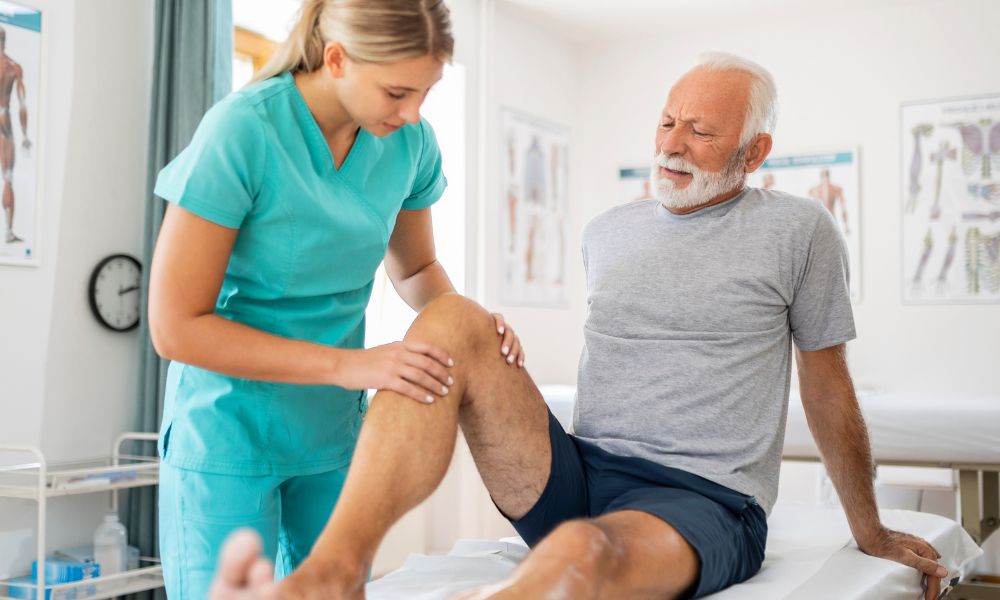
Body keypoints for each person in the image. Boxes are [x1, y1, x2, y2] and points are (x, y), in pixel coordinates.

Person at [211, 52, 948, 600]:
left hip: (700, 501)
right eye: (666, 121)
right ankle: (333, 570)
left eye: (701, 131)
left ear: (755, 152)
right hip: (574, 469)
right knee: (452, 318)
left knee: (578, 554)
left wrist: (870, 528)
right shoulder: (608, 230)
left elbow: (826, 386)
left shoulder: (799, 231)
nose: (672, 143)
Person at [147, 1, 525, 598]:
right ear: (338, 58)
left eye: (425, 93)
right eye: (397, 92)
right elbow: (175, 327)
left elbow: (417, 267)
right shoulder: (243, 130)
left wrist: (468, 324)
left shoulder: (410, 144)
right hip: (228, 428)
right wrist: (352, 365)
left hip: (330, 436)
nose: (412, 114)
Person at [0, 26, 31, 244]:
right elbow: (21, 105)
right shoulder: (13, 68)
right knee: (7, 179)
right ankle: (9, 232)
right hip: (4, 121)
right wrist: (25, 135)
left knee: (9, 179)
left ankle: (10, 232)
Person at [809, 168, 849, 233]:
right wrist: (846, 226)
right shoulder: (815, 190)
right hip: (823, 220)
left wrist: (846, 226)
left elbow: (843, 209)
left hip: (829, 219)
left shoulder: (835, 189)